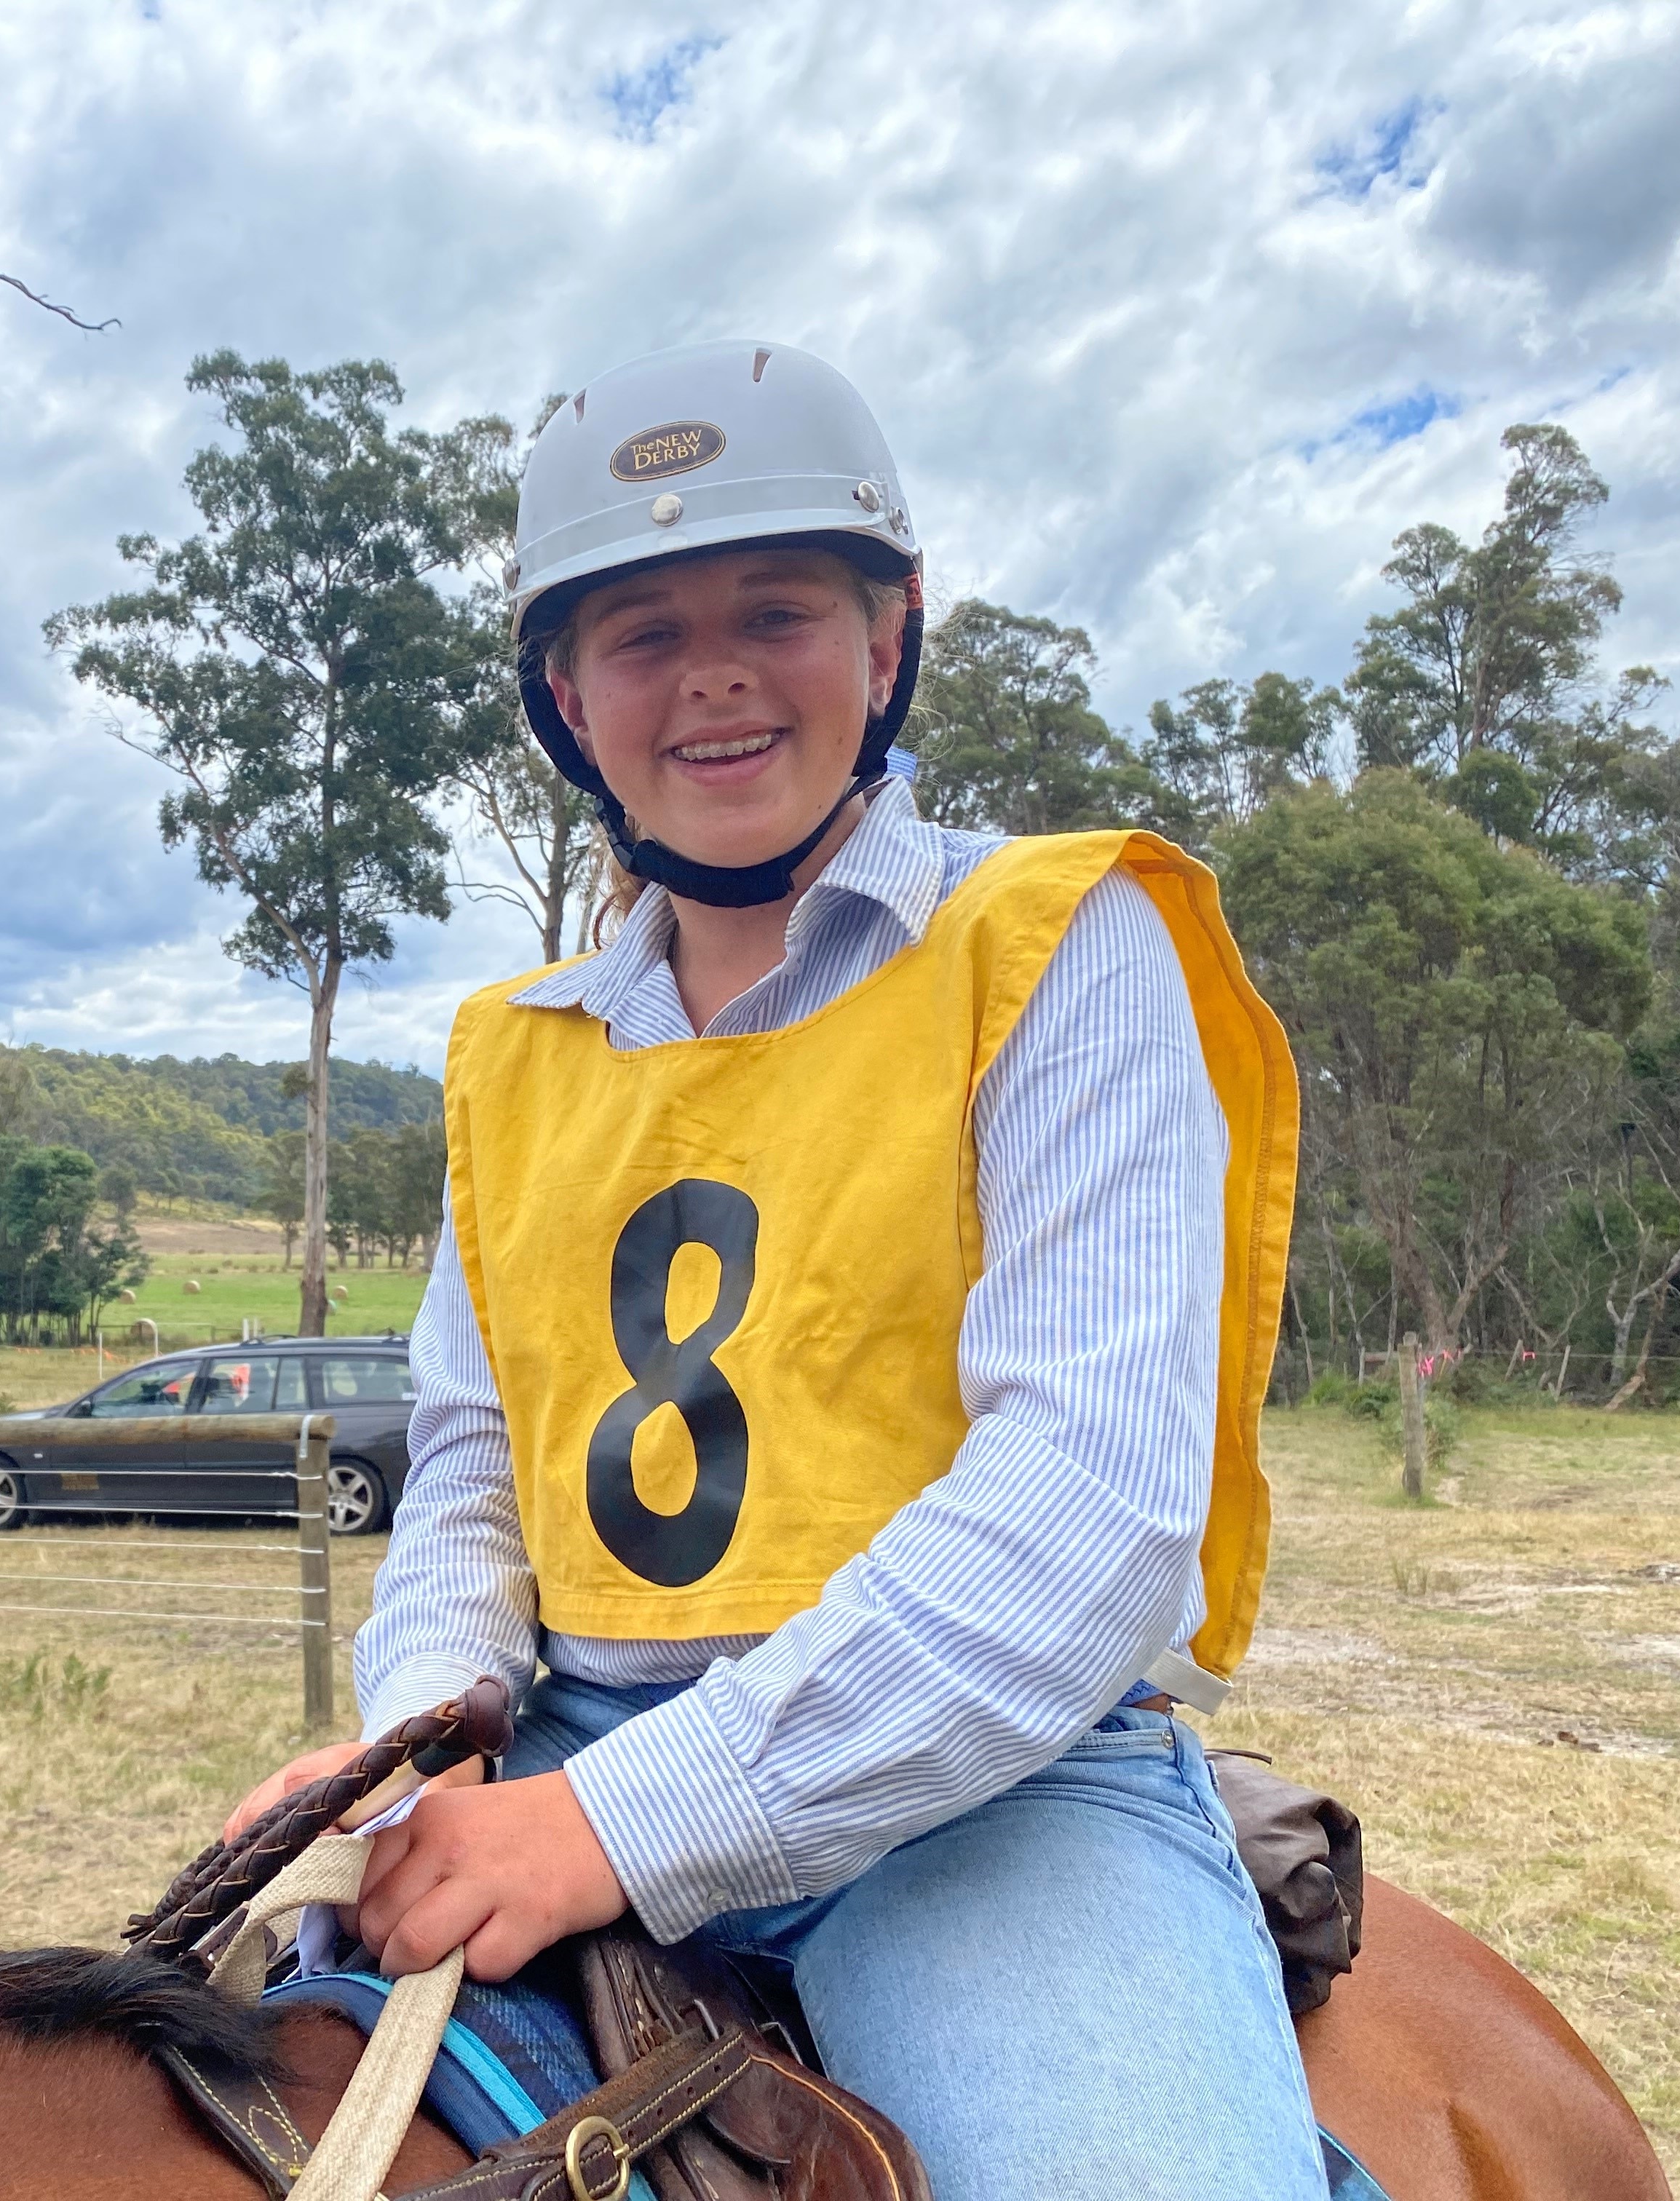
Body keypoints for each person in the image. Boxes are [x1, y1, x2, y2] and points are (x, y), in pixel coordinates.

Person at [224, 342, 1320, 2200]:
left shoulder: (1059, 945)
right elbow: (477, 1463)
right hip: (563, 1740)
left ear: (890, 642)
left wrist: (613, 1826)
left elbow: (1088, 1501)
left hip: (986, 1796)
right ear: (569, 699)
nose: (715, 673)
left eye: (778, 612)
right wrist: (430, 1741)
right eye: (644, 634)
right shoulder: (515, 1054)